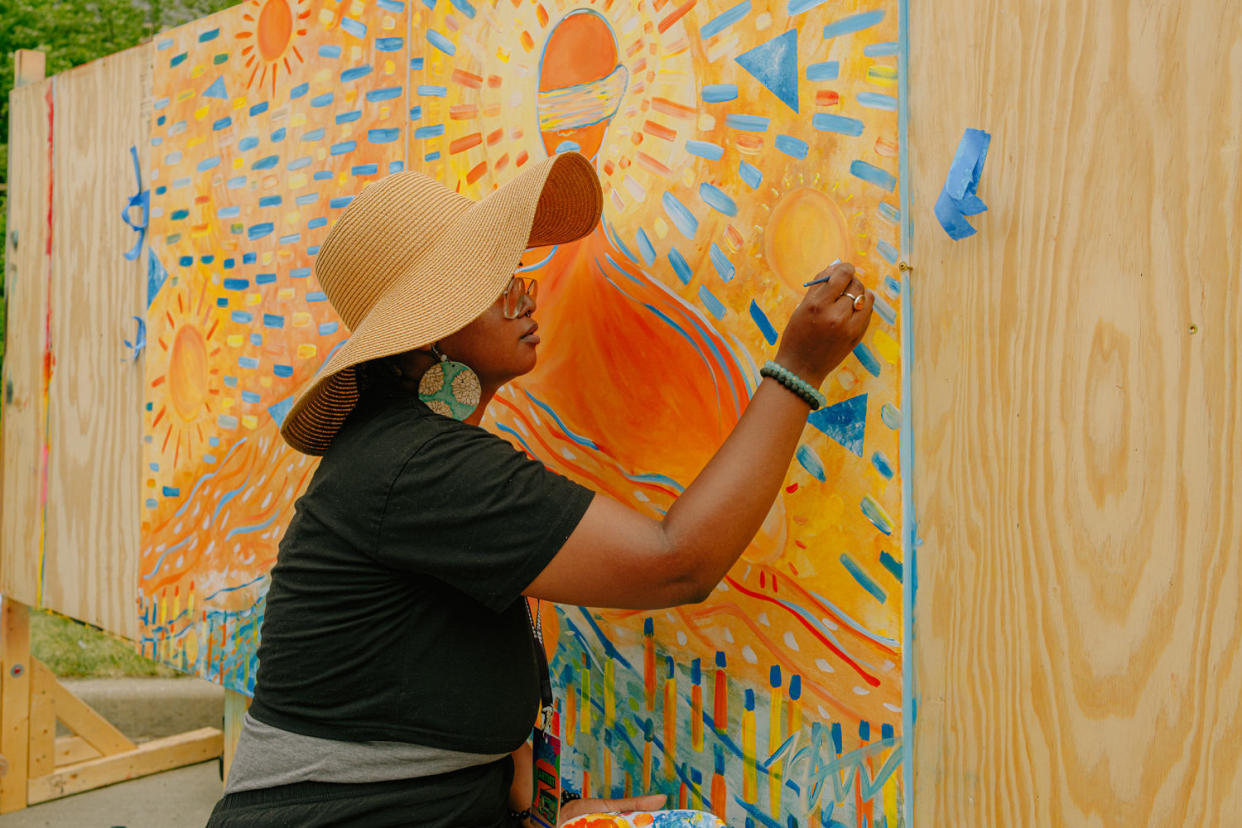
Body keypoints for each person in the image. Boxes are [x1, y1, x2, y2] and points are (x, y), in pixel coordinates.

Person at [206, 151, 874, 827]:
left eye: (516, 273)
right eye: (492, 282)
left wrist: (545, 808)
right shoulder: (418, 466)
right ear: (424, 344)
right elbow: (676, 564)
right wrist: (796, 370)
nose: (524, 293)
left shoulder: (403, 452)